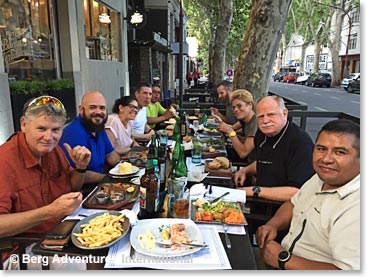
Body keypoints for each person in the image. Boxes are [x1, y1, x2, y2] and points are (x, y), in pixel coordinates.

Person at [256, 119, 360, 270]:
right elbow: (293, 203)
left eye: (340, 152)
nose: (326, 159)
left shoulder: (356, 208)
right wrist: (273, 225)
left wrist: (284, 260)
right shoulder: (320, 177)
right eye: (321, 149)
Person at [0, 96, 90, 244]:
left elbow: (73, 186)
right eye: (41, 128)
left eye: (55, 130)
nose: (49, 137)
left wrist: (80, 168)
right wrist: (50, 212)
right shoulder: (4, 161)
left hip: (63, 231)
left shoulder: (54, 150)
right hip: (24, 248)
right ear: (24, 124)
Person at [234, 95, 314, 202]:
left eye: (271, 115)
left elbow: (298, 192)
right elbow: (265, 162)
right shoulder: (261, 134)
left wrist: (254, 190)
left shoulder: (300, 142)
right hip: (259, 202)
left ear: (284, 114)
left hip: (283, 208)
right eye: (261, 117)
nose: (265, 121)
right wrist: (244, 170)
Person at [59, 90, 120, 185]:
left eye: (102, 108)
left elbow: (111, 155)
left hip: (103, 180)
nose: (98, 112)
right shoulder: (74, 133)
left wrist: (127, 169)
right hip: (88, 190)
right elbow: (76, 174)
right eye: (92, 107)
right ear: (81, 110)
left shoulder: (98, 127)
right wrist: (110, 178)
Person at [218, 89, 257, 164]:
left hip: (251, 165)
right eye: (234, 107)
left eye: (239, 106)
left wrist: (230, 132)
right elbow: (231, 128)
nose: (235, 110)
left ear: (250, 105)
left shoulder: (255, 122)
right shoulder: (244, 120)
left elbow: (243, 153)